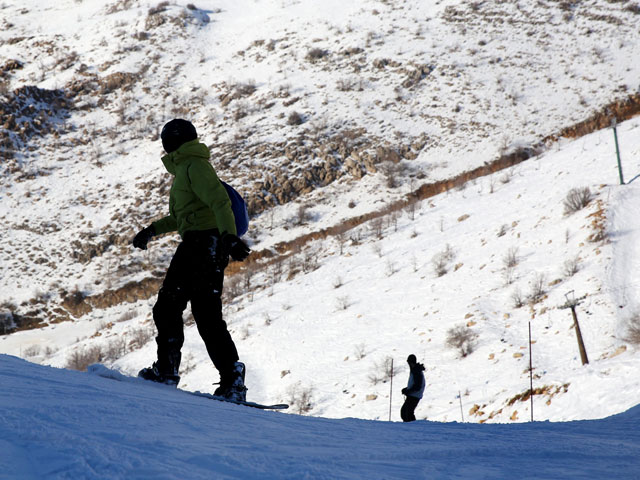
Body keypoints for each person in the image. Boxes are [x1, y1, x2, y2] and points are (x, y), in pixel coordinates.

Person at [133, 119, 251, 401]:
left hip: (205, 245)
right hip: (198, 243)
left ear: (173, 140)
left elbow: (219, 202)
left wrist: (228, 237)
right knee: (187, 311)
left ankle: (177, 371)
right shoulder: (184, 169)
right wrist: (151, 230)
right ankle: (184, 371)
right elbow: (182, 217)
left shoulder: (195, 166)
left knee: (180, 309)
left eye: (165, 139)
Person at [401, 354, 425, 422]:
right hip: (414, 394)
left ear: (411, 362)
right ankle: (411, 426)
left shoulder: (416, 371)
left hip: (414, 395)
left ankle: (412, 427)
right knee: (406, 412)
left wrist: (408, 391)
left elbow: (417, 386)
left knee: (406, 413)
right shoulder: (416, 370)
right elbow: (415, 385)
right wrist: (407, 389)